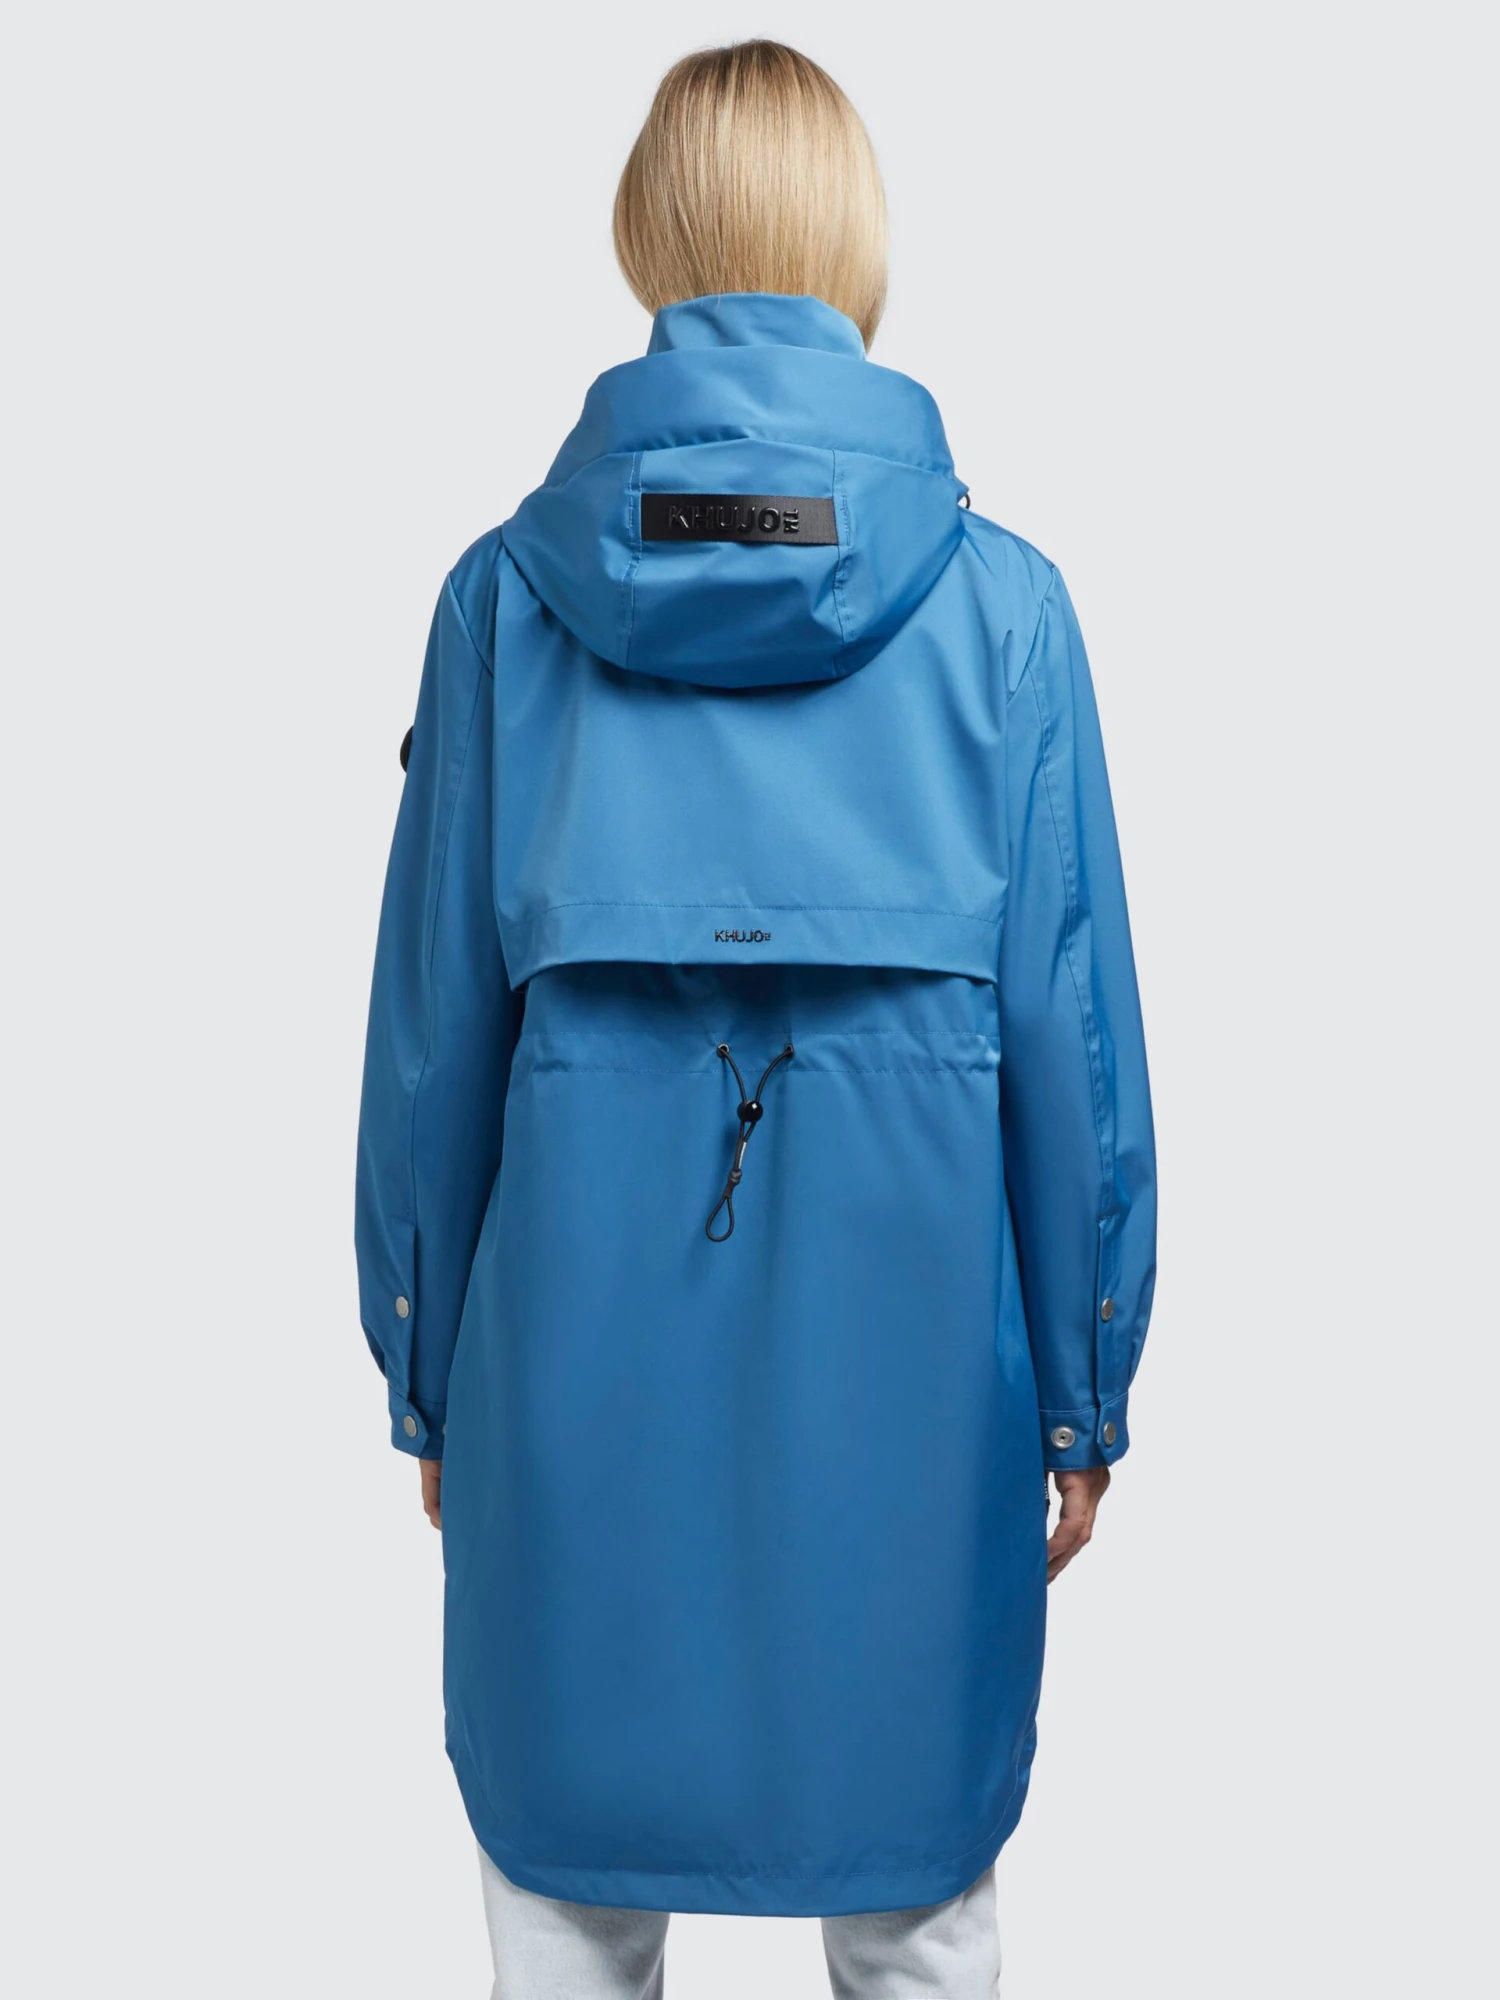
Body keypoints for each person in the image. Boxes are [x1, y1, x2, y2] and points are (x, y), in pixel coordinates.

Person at [356, 38, 1156, 1999]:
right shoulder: (1005, 614)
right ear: (858, 237)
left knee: (565, 1908)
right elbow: (1071, 1042)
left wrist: (426, 1373)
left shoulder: (500, 607)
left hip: (565, 1396)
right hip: (920, 1411)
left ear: (650, 232)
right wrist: (1085, 1384)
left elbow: (432, 1046)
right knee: (916, 1913)